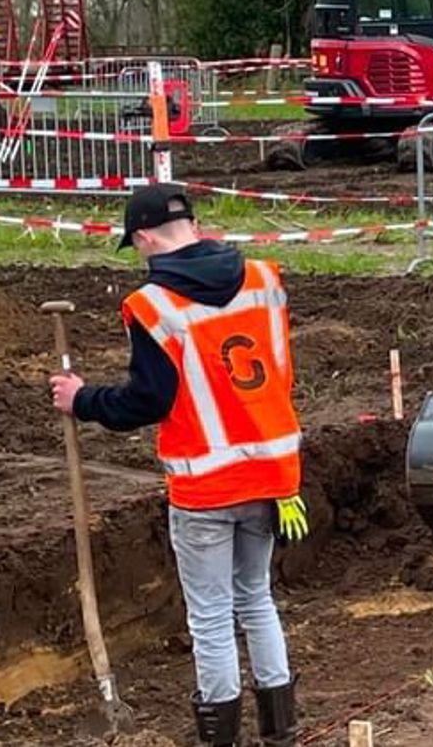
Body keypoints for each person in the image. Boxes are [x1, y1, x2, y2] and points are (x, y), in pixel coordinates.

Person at [50, 183, 308, 747]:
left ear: (143, 237)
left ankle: (220, 738)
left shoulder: (152, 304)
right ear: (192, 223)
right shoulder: (264, 278)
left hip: (206, 485)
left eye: (136, 246)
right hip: (273, 473)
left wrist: (82, 398)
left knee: (212, 618)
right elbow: (281, 371)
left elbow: (148, 401)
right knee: (257, 598)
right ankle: (280, 730)